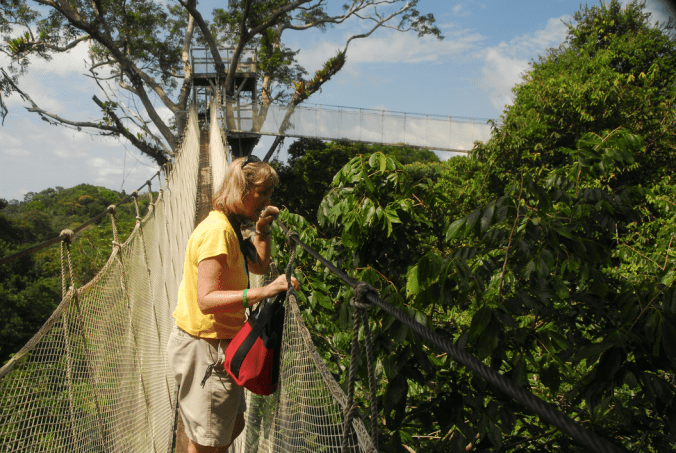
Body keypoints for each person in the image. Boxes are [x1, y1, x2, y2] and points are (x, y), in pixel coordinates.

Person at [167, 155, 299, 453]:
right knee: (211, 441)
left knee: (225, 429)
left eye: (269, 193)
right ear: (241, 188)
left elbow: (258, 266)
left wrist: (262, 230)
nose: (267, 200)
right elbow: (206, 299)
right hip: (206, 349)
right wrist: (264, 292)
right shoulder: (218, 233)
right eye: (262, 192)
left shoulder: (229, 224)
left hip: (220, 346)